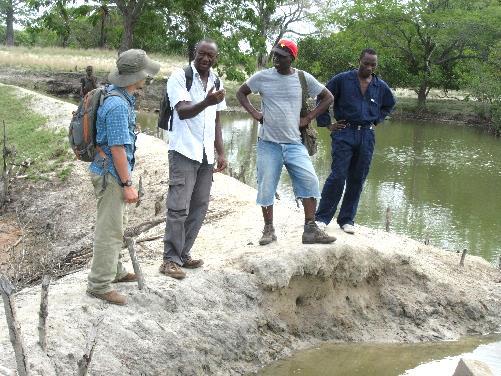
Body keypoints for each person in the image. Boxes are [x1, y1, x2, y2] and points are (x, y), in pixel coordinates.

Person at [236, 39, 336, 245]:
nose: (276, 59)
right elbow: (241, 92)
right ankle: (268, 229)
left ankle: (310, 229)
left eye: (281, 56)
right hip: (268, 143)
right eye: (274, 55)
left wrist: (309, 118)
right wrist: (255, 113)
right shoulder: (263, 77)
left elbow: (328, 97)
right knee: (266, 186)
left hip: (294, 143)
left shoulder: (302, 78)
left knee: (310, 181)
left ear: (291, 58)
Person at [87, 49, 160, 305]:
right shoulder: (118, 104)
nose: (147, 78)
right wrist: (128, 184)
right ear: (135, 76)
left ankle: (114, 271)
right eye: (144, 73)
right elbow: (117, 148)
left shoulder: (120, 96)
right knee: (109, 230)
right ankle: (99, 284)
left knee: (116, 225)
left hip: (110, 172)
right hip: (111, 175)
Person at [160, 39, 227, 280]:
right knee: (178, 207)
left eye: (210, 55)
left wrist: (221, 151)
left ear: (215, 58)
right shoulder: (180, 77)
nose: (206, 59)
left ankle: (183, 254)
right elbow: (183, 110)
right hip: (183, 151)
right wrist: (207, 101)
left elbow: (217, 120)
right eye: (202, 54)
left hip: (206, 154)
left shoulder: (216, 80)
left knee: (199, 207)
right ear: (194, 53)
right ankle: (169, 260)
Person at [315, 48, 396, 234]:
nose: (369, 67)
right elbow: (322, 97)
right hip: (344, 132)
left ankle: (347, 219)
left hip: (366, 135)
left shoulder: (380, 86)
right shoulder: (342, 79)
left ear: (376, 65)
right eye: (366, 63)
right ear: (359, 60)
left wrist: (377, 119)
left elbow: (389, 104)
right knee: (337, 176)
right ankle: (322, 218)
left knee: (357, 178)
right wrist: (328, 124)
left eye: (373, 65)